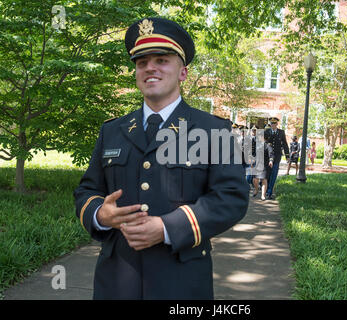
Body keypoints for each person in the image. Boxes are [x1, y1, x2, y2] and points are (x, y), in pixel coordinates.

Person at [73, 17, 249, 300]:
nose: (150, 68)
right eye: (141, 62)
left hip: (181, 282)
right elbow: (87, 190)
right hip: (117, 280)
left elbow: (231, 197)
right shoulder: (112, 130)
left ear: (183, 72)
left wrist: (167, 227)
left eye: (162, 60)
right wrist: (100, 214)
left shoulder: (213, 130)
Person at [264, 117, 289, 200]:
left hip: (277, 157)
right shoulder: (266, 132)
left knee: (274, 174)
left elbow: (285, 144)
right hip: (267, 157)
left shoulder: (281, 132)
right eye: (271, 123)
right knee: (268, 174)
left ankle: (269, 192)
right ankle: (266, 190)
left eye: (274, 123)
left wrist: (287, 156)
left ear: (277, 124)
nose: (273, 125)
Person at [252, 132, 274, 200]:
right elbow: (254, 154)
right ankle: (256, 189)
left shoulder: (268, 145)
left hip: (265, 165)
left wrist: (271, 160)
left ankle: (263, 195)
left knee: (264, 179)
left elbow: (271, 153)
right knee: (255, 179)